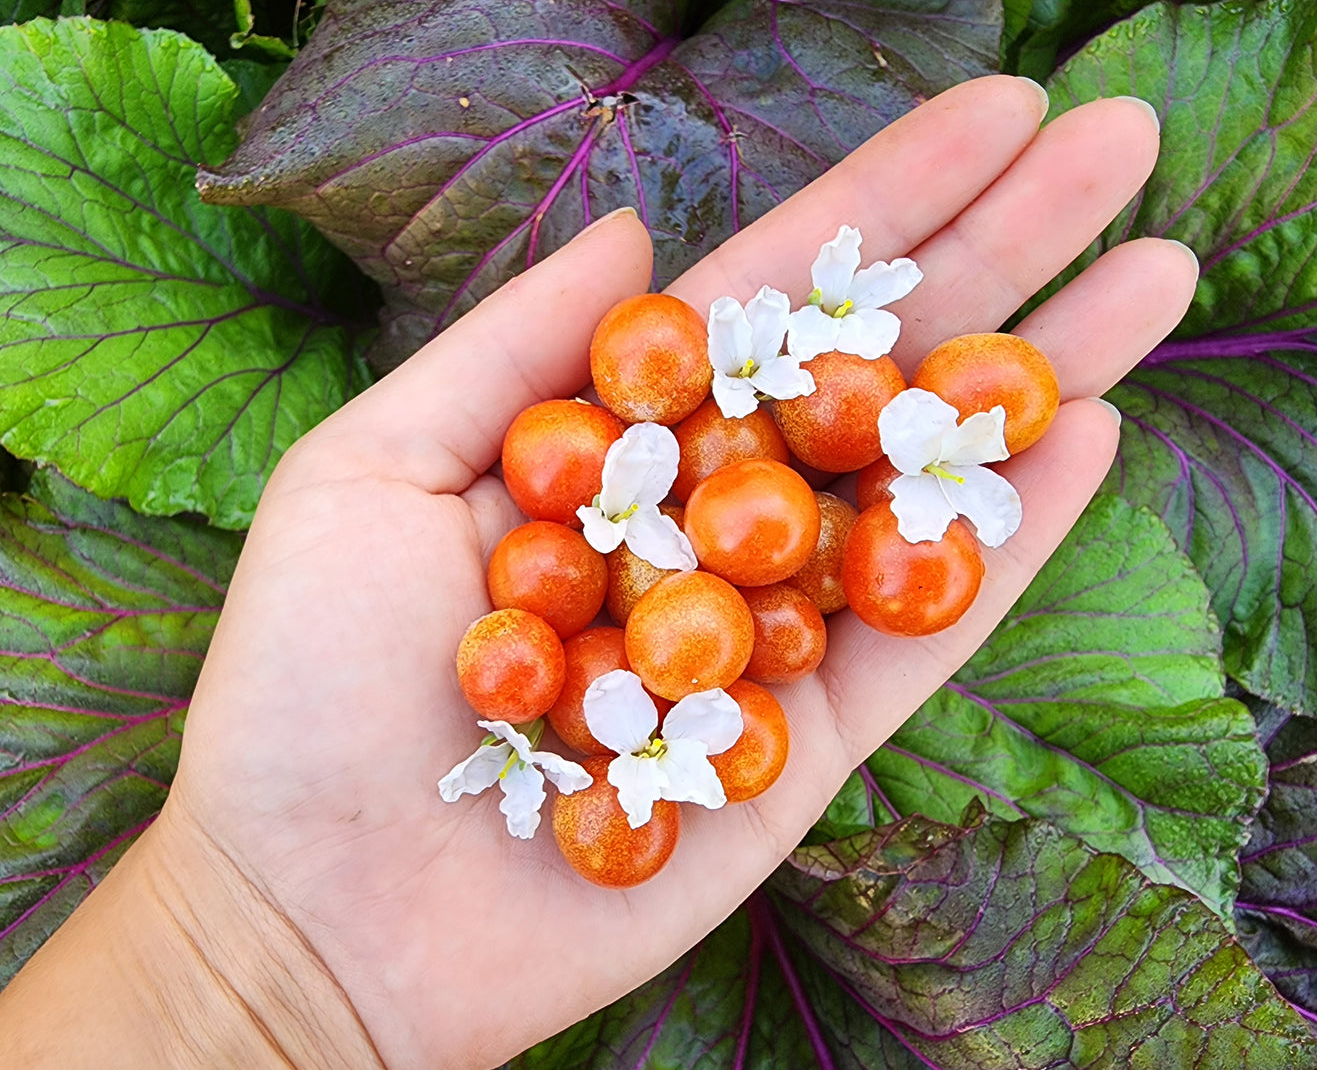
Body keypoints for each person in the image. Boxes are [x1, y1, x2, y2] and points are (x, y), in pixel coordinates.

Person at [0, 74, 1194, 1067]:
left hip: (715, 550)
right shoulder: (603, 609)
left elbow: (740, 556)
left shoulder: (744, 541)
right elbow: (672, 563)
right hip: (665, 576)